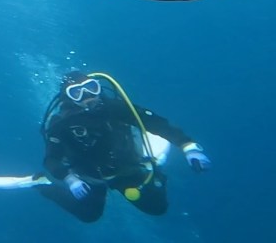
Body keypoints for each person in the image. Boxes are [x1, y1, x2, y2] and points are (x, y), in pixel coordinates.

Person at [37, 71, 211, 223]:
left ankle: (154, 170)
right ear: (69, 98)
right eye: (77, 92)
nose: (88, 95)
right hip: (90, 177)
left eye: (91, 87)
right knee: (89, 215)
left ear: (98, 87)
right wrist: (70, 179)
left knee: (158, 207)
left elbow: (156, 123)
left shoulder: (115, 108)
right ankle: (40, 183)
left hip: (126, 169)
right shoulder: (61, 124)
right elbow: (51, 159)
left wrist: (188, 147)